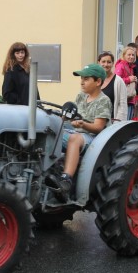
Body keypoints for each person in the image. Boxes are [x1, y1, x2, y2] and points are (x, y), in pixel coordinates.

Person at [45, 64, 111, 199]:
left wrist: (83, 124)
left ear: (98, 82)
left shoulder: (103, 100)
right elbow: (72, 115)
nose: (82, 82)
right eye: (81, 78)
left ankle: (66, 179)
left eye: (86, 79)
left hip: (94, 138)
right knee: (50, 131)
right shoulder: (81, 96)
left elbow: (98, 127)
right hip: (77, 131)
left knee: (74, 138)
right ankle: (45, 171)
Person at [98, 51, 127, 122]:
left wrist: (117, 123)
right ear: (99, 63)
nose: (106, 64)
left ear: (112, 63)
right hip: (95, 123)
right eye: (103, 62)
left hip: (111, 124)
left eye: (109, 62)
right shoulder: (95, 80)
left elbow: (122, 104)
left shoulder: (118, 81)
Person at [115, 46, 138, 119]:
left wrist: (134, 80)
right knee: (124, 123)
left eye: (133, 55)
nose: (131, 57)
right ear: (124, 55)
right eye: (129, 55)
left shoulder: (131, 66)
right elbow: (116, 81)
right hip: (123, 100)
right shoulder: (120, 65)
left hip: (130, 99)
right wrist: (129, 79)